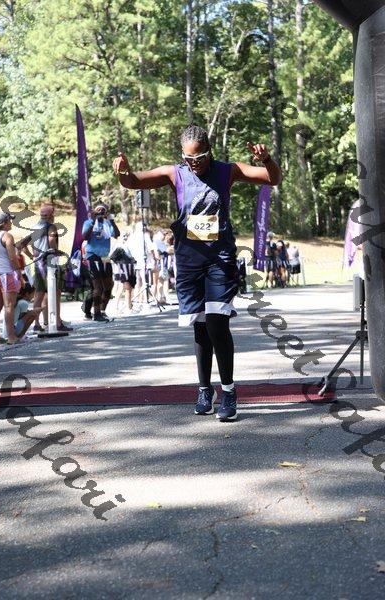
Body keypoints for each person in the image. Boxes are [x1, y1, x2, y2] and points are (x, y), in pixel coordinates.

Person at [113, 123, 281, 421]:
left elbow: (273, 178)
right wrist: (123, 171)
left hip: (220, 258)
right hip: (189, 259)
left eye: (199, 158)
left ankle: (228, 391)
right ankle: (205, 389)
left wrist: (266, 159)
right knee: (200, 325)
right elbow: (133, 182)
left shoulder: (227, 171)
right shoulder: (174, 173)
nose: (194, 164)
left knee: (217, 322)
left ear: (209, 152)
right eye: (188, 158)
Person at [28, 203, 72, 332]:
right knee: (55, 292)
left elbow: (26, 245)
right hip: (49, 263)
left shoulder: (34, 227)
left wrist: (32, 256)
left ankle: (37, 323)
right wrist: (56, 252)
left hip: (38, 263)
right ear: (51, 215)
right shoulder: (51, 227)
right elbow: (52, 241)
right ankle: (57, 322)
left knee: (39, 294)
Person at [0, 212, 25, 345]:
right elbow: (12, 258)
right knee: (9, 306)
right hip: (6, 274)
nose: (11, 222)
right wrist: (19, 273)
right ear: (4, 224)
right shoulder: (7, 236)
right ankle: (11, 337)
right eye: (10, 220)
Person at [82, 203, 120, 322]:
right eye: (98, 210)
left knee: (109, 284)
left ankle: (102, 311)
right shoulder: (88, 222)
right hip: (92, 255)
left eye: (103, 211)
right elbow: (85, 237)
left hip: (105, 256)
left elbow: (117, 234)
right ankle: (96, 313)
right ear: (94, 211)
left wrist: (112, 221)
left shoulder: (107, 223)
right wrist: (93, 221)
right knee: (97, 286)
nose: (100, 212)